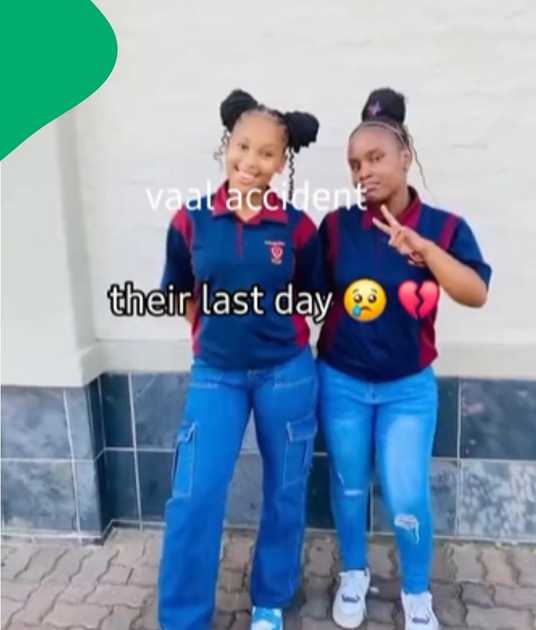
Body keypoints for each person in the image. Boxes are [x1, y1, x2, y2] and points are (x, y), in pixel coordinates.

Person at [319, 88, 491, 630]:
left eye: (374, 158)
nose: (364, 171)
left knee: (407, 494)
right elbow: (303, 295)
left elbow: (475, 292)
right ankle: (353, 573)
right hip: (340, 381)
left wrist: (426, 251)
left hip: (408, 389)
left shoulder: (444, 227)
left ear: (404, 157)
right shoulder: (338, 228)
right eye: (354, 164)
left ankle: (416, 592)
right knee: (348, 485)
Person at [158, 90, 322, 630]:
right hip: (217, 378)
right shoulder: (190, 221)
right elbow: (181, 292)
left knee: (285, 489)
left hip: (287, 374)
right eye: (242, 146)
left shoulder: (297, 228)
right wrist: (217, 337)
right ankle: (183, 617)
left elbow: (311, 298)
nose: (251, 161)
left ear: (283, 161)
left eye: (267, 153)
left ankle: (270, 600)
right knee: (194, 495)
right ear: (226, 143)